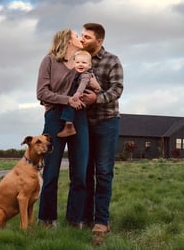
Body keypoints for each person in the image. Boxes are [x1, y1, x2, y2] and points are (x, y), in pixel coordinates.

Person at [36, 28, 88, 228]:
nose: (80, 38)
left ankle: (75, 220)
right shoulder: (49, 61)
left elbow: (90, 87)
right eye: (76, 35)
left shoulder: (82, 63)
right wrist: (67, 100)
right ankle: (46, 219)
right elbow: (41, 92)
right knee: (51, 172)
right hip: (55, 117)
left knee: (80, 172)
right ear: (67, 40)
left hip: (80, 117)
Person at [80, 23, 124, 241]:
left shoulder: (112, 60)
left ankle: (101, 221)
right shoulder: (78, 59)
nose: (82, 39)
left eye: (86, 37)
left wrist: (97, 98)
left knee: (104, 172)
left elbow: (117, 89)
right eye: (81, 35)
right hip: (83, 124)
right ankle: (85, 218)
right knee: (84, 172)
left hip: (107, 122)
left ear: (99, 40)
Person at [57, 50, 101, 137]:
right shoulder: (77, 73)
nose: (80, 64)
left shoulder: (86, 74)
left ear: (89, 65)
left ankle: (69, 125)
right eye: (77, 62)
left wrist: (77, 94)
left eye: (84, 62)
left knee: (70, 103)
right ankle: (68, 123)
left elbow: (83, 84)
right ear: (74, 64)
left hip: (83, 95)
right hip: (83, 95)